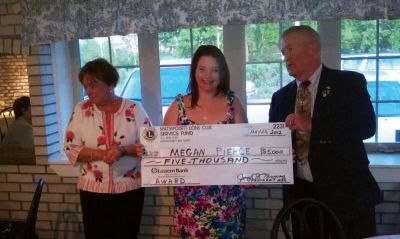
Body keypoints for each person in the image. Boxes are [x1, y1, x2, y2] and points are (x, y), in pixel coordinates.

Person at [269, 25, 382, 239]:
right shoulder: (280, 97)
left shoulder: (349, 83)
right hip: (302, 199)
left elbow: (366, 126)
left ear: (313, 49)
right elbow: (276, 143)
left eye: (290, 49)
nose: (286, 57)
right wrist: (279, 154)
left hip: (348, 197)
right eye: (283, 52)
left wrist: (312, 124)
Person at [164, 45, 248, 238]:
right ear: (194, 71)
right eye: (202, 68)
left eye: (214, 70)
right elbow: (164, 150)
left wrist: (277, 155)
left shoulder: (232, 103)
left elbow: (246, 147)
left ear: (222, 73)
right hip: (190, 201)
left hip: (228, 200)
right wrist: (147, 151)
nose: (207, 76)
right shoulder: (178, 106)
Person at [63, 58, 151, 239]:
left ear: (110, 83)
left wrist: (123, 151)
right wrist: (103, 154)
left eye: (93, 85)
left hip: (130, 190)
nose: (88, 91)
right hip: (93, 192)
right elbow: (70, 147)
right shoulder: (81, 109)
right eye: (86, 86)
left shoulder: (134, 109)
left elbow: (150, 146)